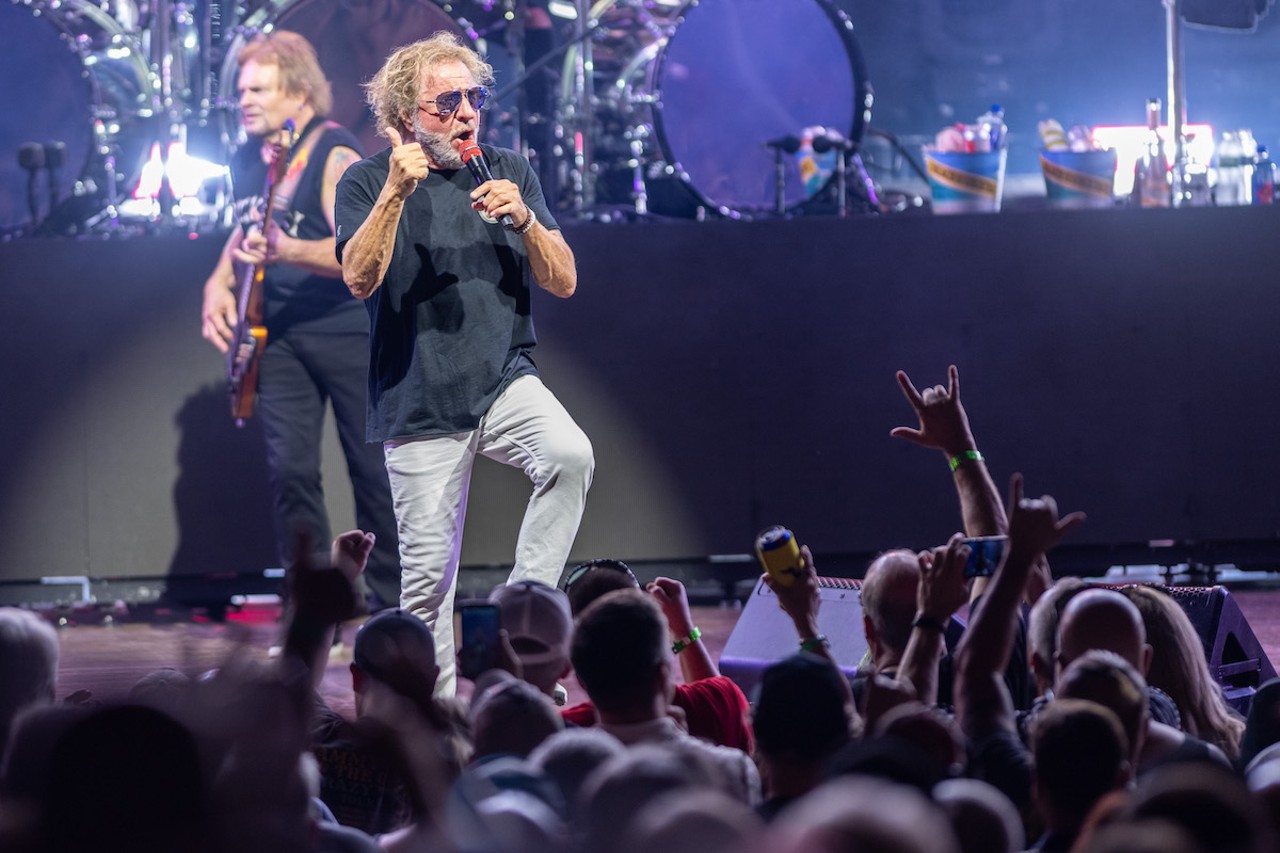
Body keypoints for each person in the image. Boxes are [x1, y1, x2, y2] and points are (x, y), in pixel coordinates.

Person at [336, 31, 594, 697]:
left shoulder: (506, 169)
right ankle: (443, 727)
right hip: (419, 395)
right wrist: (394, 193)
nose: (466, 114)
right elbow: (358, 278)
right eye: (445, 102)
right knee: (425, 592)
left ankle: (519, 618)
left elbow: (564, 280)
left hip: (505, 377)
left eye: (473, 98)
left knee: (569, 455)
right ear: (404, 117)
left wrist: (528, 223)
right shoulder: (366, 179)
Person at [199, 30, 401, 612]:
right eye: (241, 90)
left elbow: (363, 253)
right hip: (279, 336)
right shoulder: (251, 156)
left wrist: (286, 250)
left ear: (298, 91)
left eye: (258, 88)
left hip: (345, 330)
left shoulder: (335, 153)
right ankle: (312, 611)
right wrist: (219, 279)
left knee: (373, 475)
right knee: (290, 474)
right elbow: (249, 228)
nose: (245, 100)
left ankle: (390, 611)